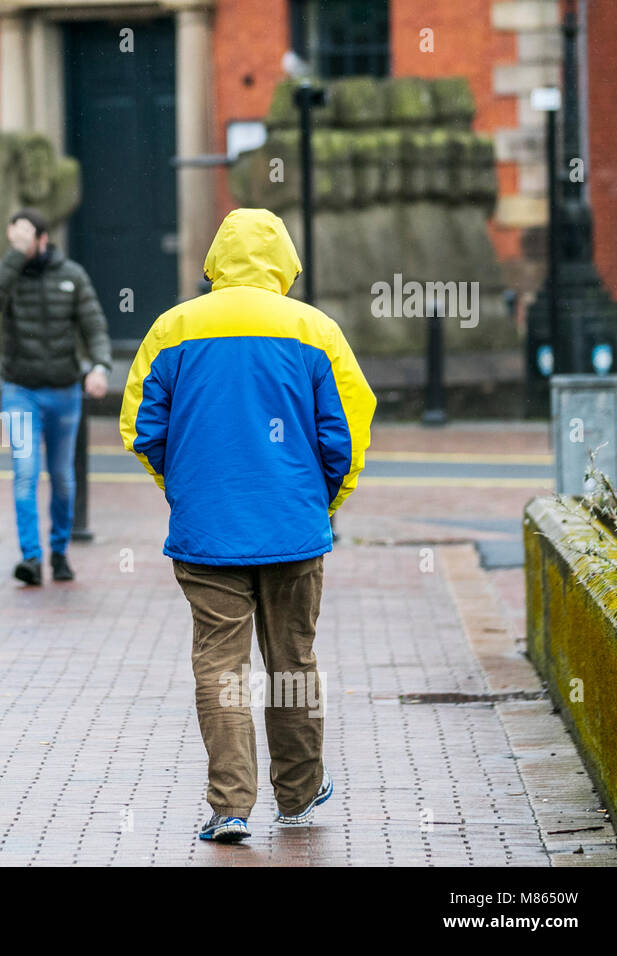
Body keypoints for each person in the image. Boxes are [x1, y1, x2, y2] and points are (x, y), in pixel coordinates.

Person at [119, 208, 376, 844]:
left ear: (215, 262)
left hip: (207, 532)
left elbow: (140, 430)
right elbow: (348, 430)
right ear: (285, 262)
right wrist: (324, 502)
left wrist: (184, 491)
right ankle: (297, 792)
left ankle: (229, 805)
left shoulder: (172, 328)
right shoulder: (313, 330)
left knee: (220, 665)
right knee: (291, 660)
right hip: (292, 526)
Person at [0, 208, 112, 586]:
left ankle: (60, 552)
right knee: (24, 474)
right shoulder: (10, 273)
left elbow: (95, 326)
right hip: (20, 391)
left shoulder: (72, 276)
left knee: (63, 478)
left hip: (65, 392)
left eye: (24, 239)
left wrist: (100, 366)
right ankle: (31, 559)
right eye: (12, 240)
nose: (18, 246)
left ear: (43, 238)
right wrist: (15, 257)